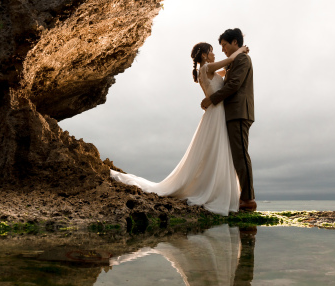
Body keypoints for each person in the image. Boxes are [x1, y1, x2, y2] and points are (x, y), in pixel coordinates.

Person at [109, 41, 249, 215]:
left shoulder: (203, 71)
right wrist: (241, 50)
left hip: (214, 113)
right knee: (216, 151)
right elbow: (228, 62)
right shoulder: (207, 68)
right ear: (204, 55)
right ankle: (212, 191)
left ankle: (211, 188)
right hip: (217, 113)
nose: (214, 54)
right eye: (211, 51)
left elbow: (224, 71)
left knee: (213, 152)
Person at [200, 28, 255, 212]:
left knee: (240, 155)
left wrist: (211, 99)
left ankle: (248, 199)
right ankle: (242, 197)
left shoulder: (241, 59)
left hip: (239, 112)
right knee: (236, 155)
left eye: (224, 45)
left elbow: (234, 85)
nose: (222, 49)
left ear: (235, 43)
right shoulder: (234, 62)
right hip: (232, 113)